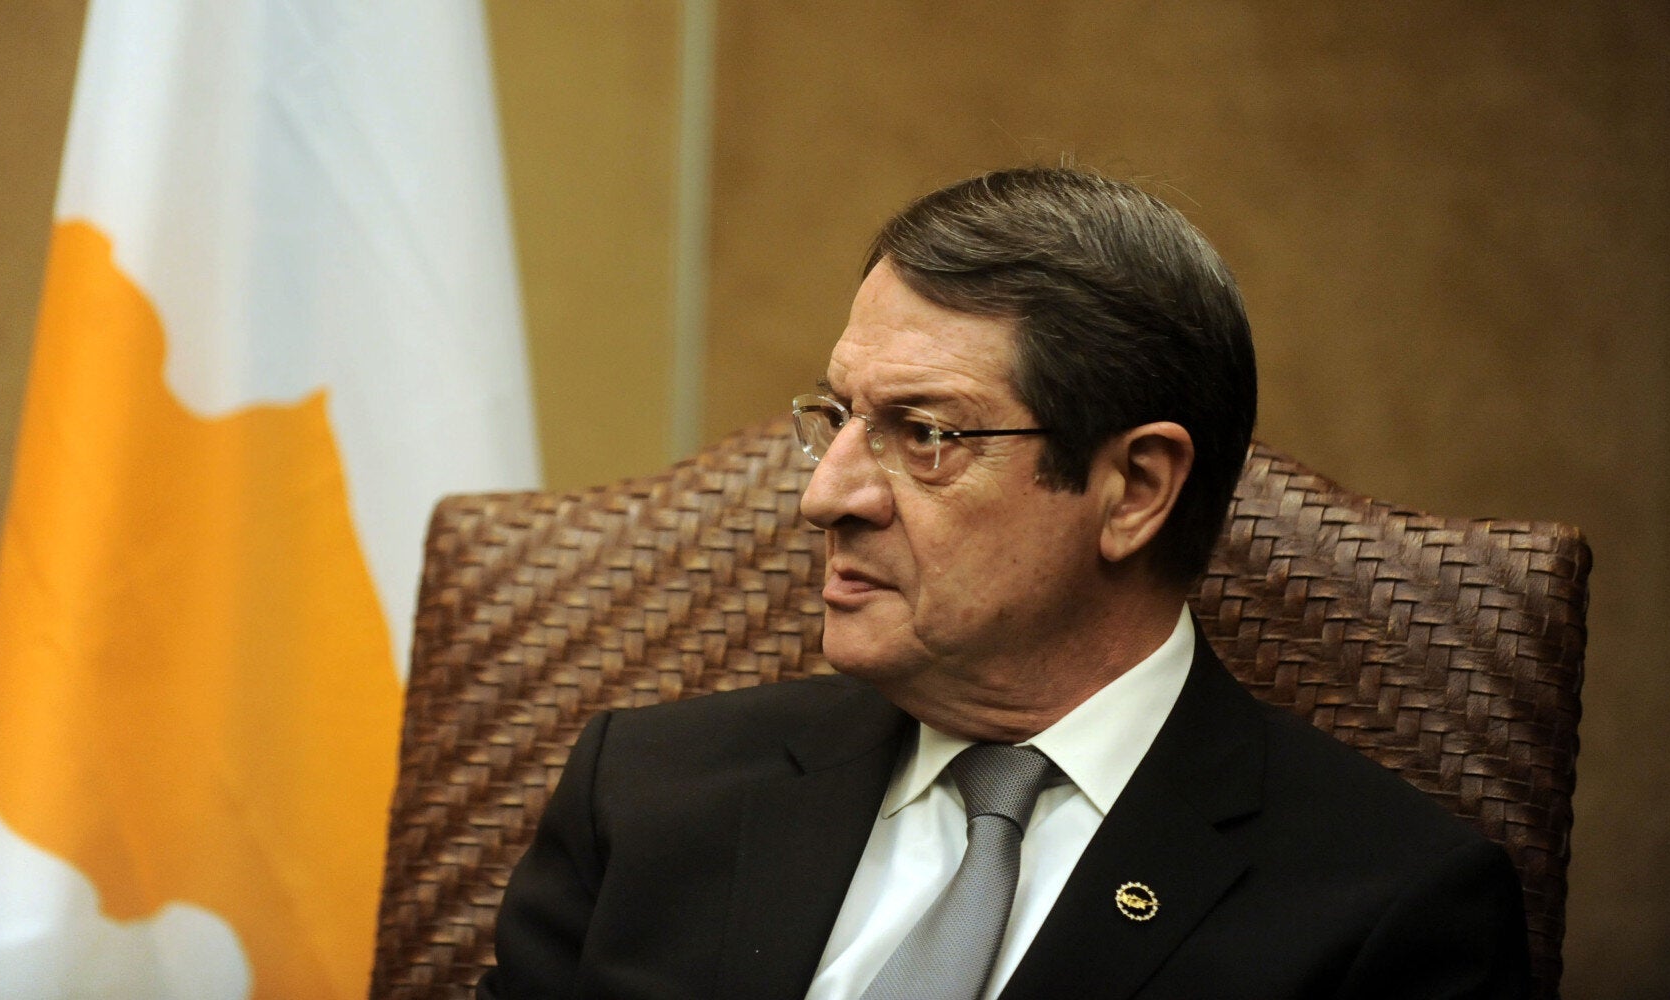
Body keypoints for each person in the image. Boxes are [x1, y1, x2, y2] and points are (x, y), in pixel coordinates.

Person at [478, 165, 1530, 999]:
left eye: (925, 434)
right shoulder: (645, 795)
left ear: (1133, 489)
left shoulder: (1388, 910)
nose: (824, 496)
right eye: (838, 417)